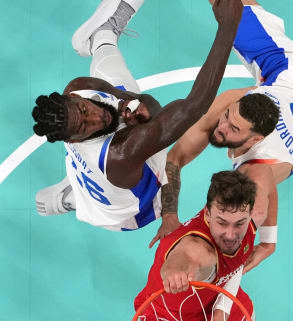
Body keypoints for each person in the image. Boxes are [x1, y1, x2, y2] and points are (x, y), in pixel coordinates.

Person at [151, 0, 293, 272]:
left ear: (256, 140)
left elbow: (263, 188)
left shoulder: (253, 169)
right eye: (227, 118)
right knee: (234, 10)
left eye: (233, 130)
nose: (220, 128)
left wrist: (269, 242)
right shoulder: (234, 103)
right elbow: (175, 158)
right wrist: (170, 214)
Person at [32, 0, 243, 231]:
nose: (97, 118)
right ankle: (68, 199)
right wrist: (228, 26)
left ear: (75, 96)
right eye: (84, 127)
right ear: (72, 140)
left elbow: (147, 102)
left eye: (85, 109)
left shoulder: (81, 86)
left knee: (127, 103)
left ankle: (101, 37)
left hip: (100, 169)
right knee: (157, 143)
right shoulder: (121, 154)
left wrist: (131, 104)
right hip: (135, 208)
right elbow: (194, 106)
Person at [134, 170, 265, 321]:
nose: (230, 234)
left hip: (210, 302)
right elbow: (183, 258)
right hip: (169, 320)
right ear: (207, 213)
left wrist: (220, 314)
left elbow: (267, 181)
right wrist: (173, 272)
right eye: (222, 222)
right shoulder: (198, 249)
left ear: (250, 213)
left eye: (239, 224)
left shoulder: (258, 213)